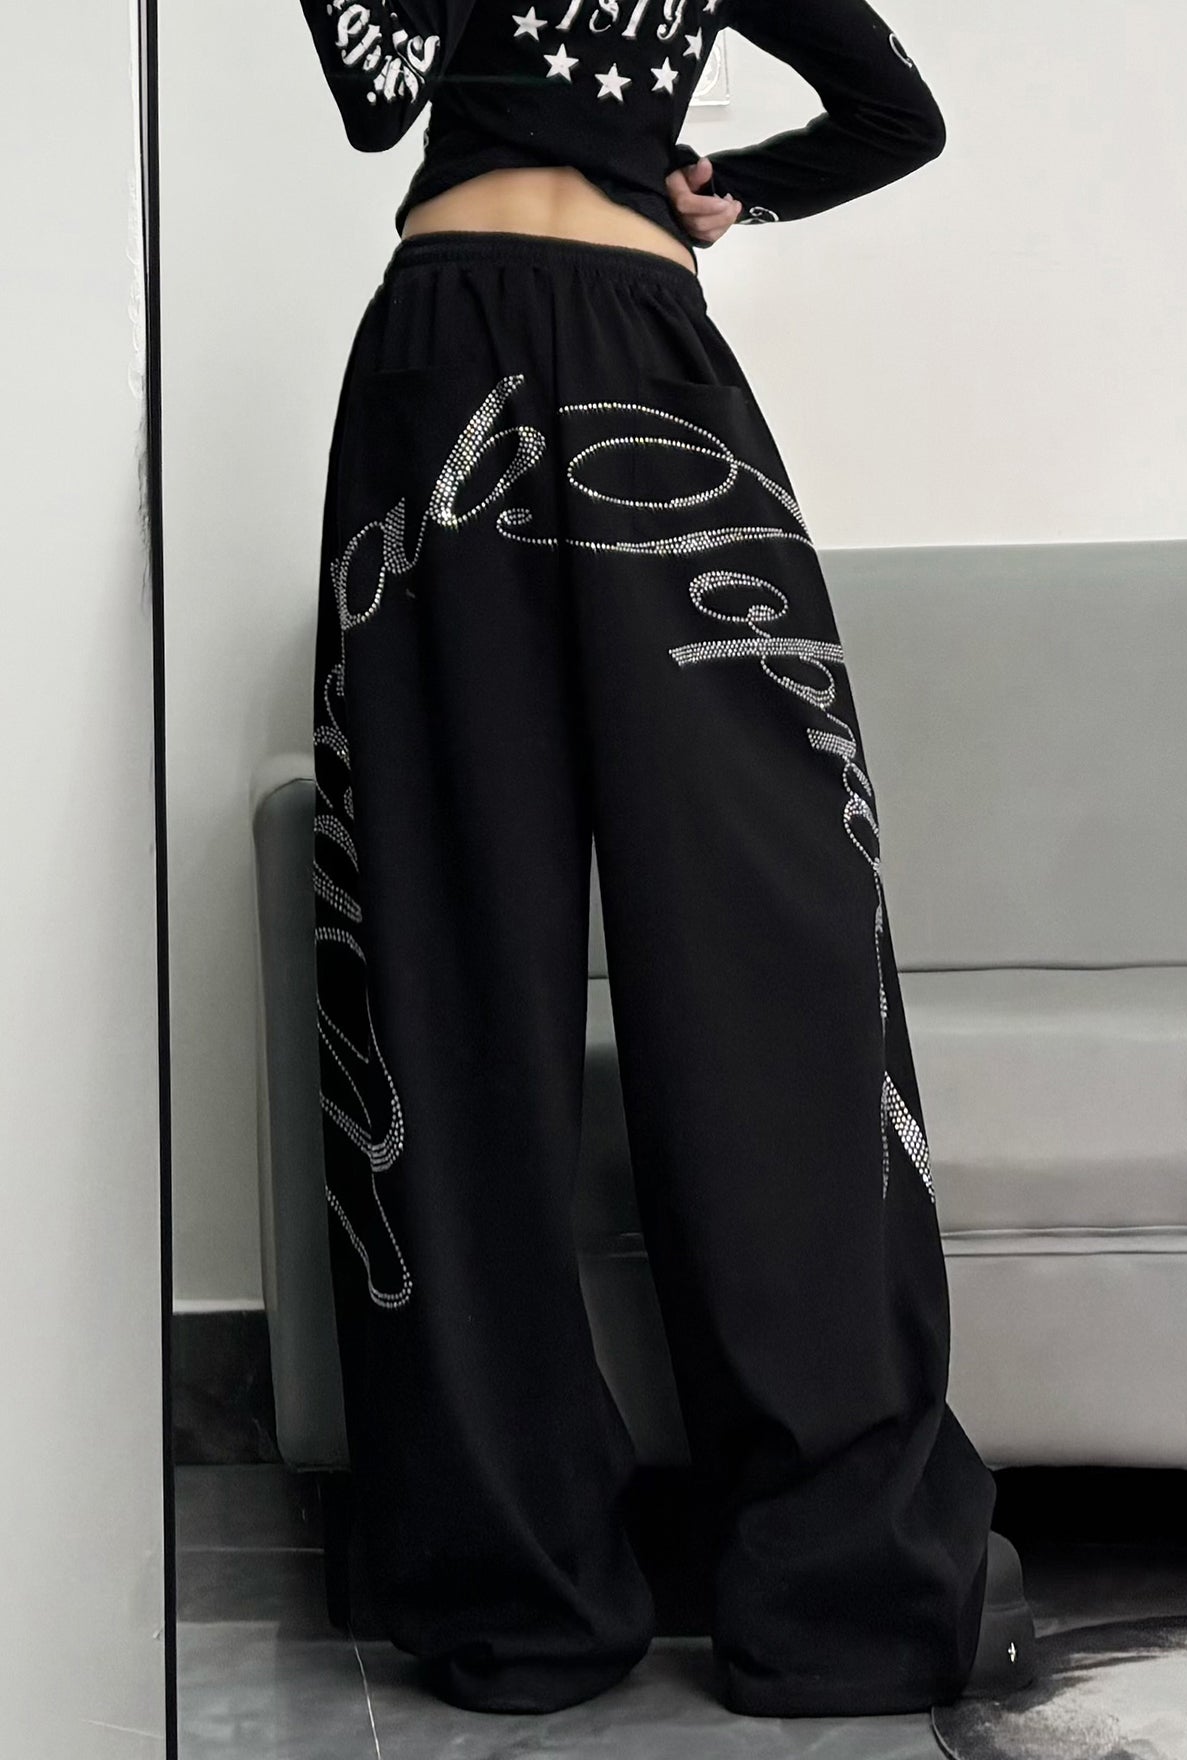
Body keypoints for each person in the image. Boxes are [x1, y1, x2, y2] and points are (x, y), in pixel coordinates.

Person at [300, 0, 1039, 1721]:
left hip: (448, 351)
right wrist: (723, 187)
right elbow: (889, 112)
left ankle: (520, 1591)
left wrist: (732, 184)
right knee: (740, 942)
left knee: (454, 940)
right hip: (617, 343)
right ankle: (835, 1587)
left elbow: (377, 93)